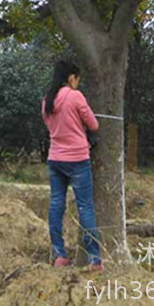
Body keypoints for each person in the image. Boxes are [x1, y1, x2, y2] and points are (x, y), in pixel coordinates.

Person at [42, 58, 102, 270]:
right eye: (77, 78)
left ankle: (59, 254)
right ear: (71, 77)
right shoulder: (75, 97)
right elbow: (94, 125)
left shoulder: (47, 101)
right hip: (77, 159)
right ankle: (95, 258)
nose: (78, 82)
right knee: (85, 206)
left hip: (55, 159)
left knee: (56, 204)